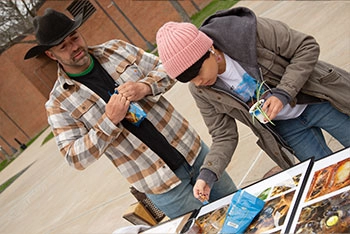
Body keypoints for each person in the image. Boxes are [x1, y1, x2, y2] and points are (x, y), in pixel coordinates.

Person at [23, 8, 237, 219]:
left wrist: (144, 87)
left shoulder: (117, 49)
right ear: (51, 54)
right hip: (159, 183)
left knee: (239, 209)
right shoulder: (58, 104)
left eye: (75, 38)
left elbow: (168, 69)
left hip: (194, 152)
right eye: (64, 46)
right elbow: (75, 157)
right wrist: (109, 121)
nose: (74, 47)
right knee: (202, 227)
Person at [156, 7, 350, 201]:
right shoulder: (201, 90)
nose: (197, 82)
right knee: (329, 180)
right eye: (189, 80)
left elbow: (306, 47)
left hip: (315, 98)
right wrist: (208, 173)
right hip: (287, 127)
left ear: (210, 50)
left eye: (197, 73)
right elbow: (223, 135)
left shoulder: (248, 32)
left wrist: (284, 93)